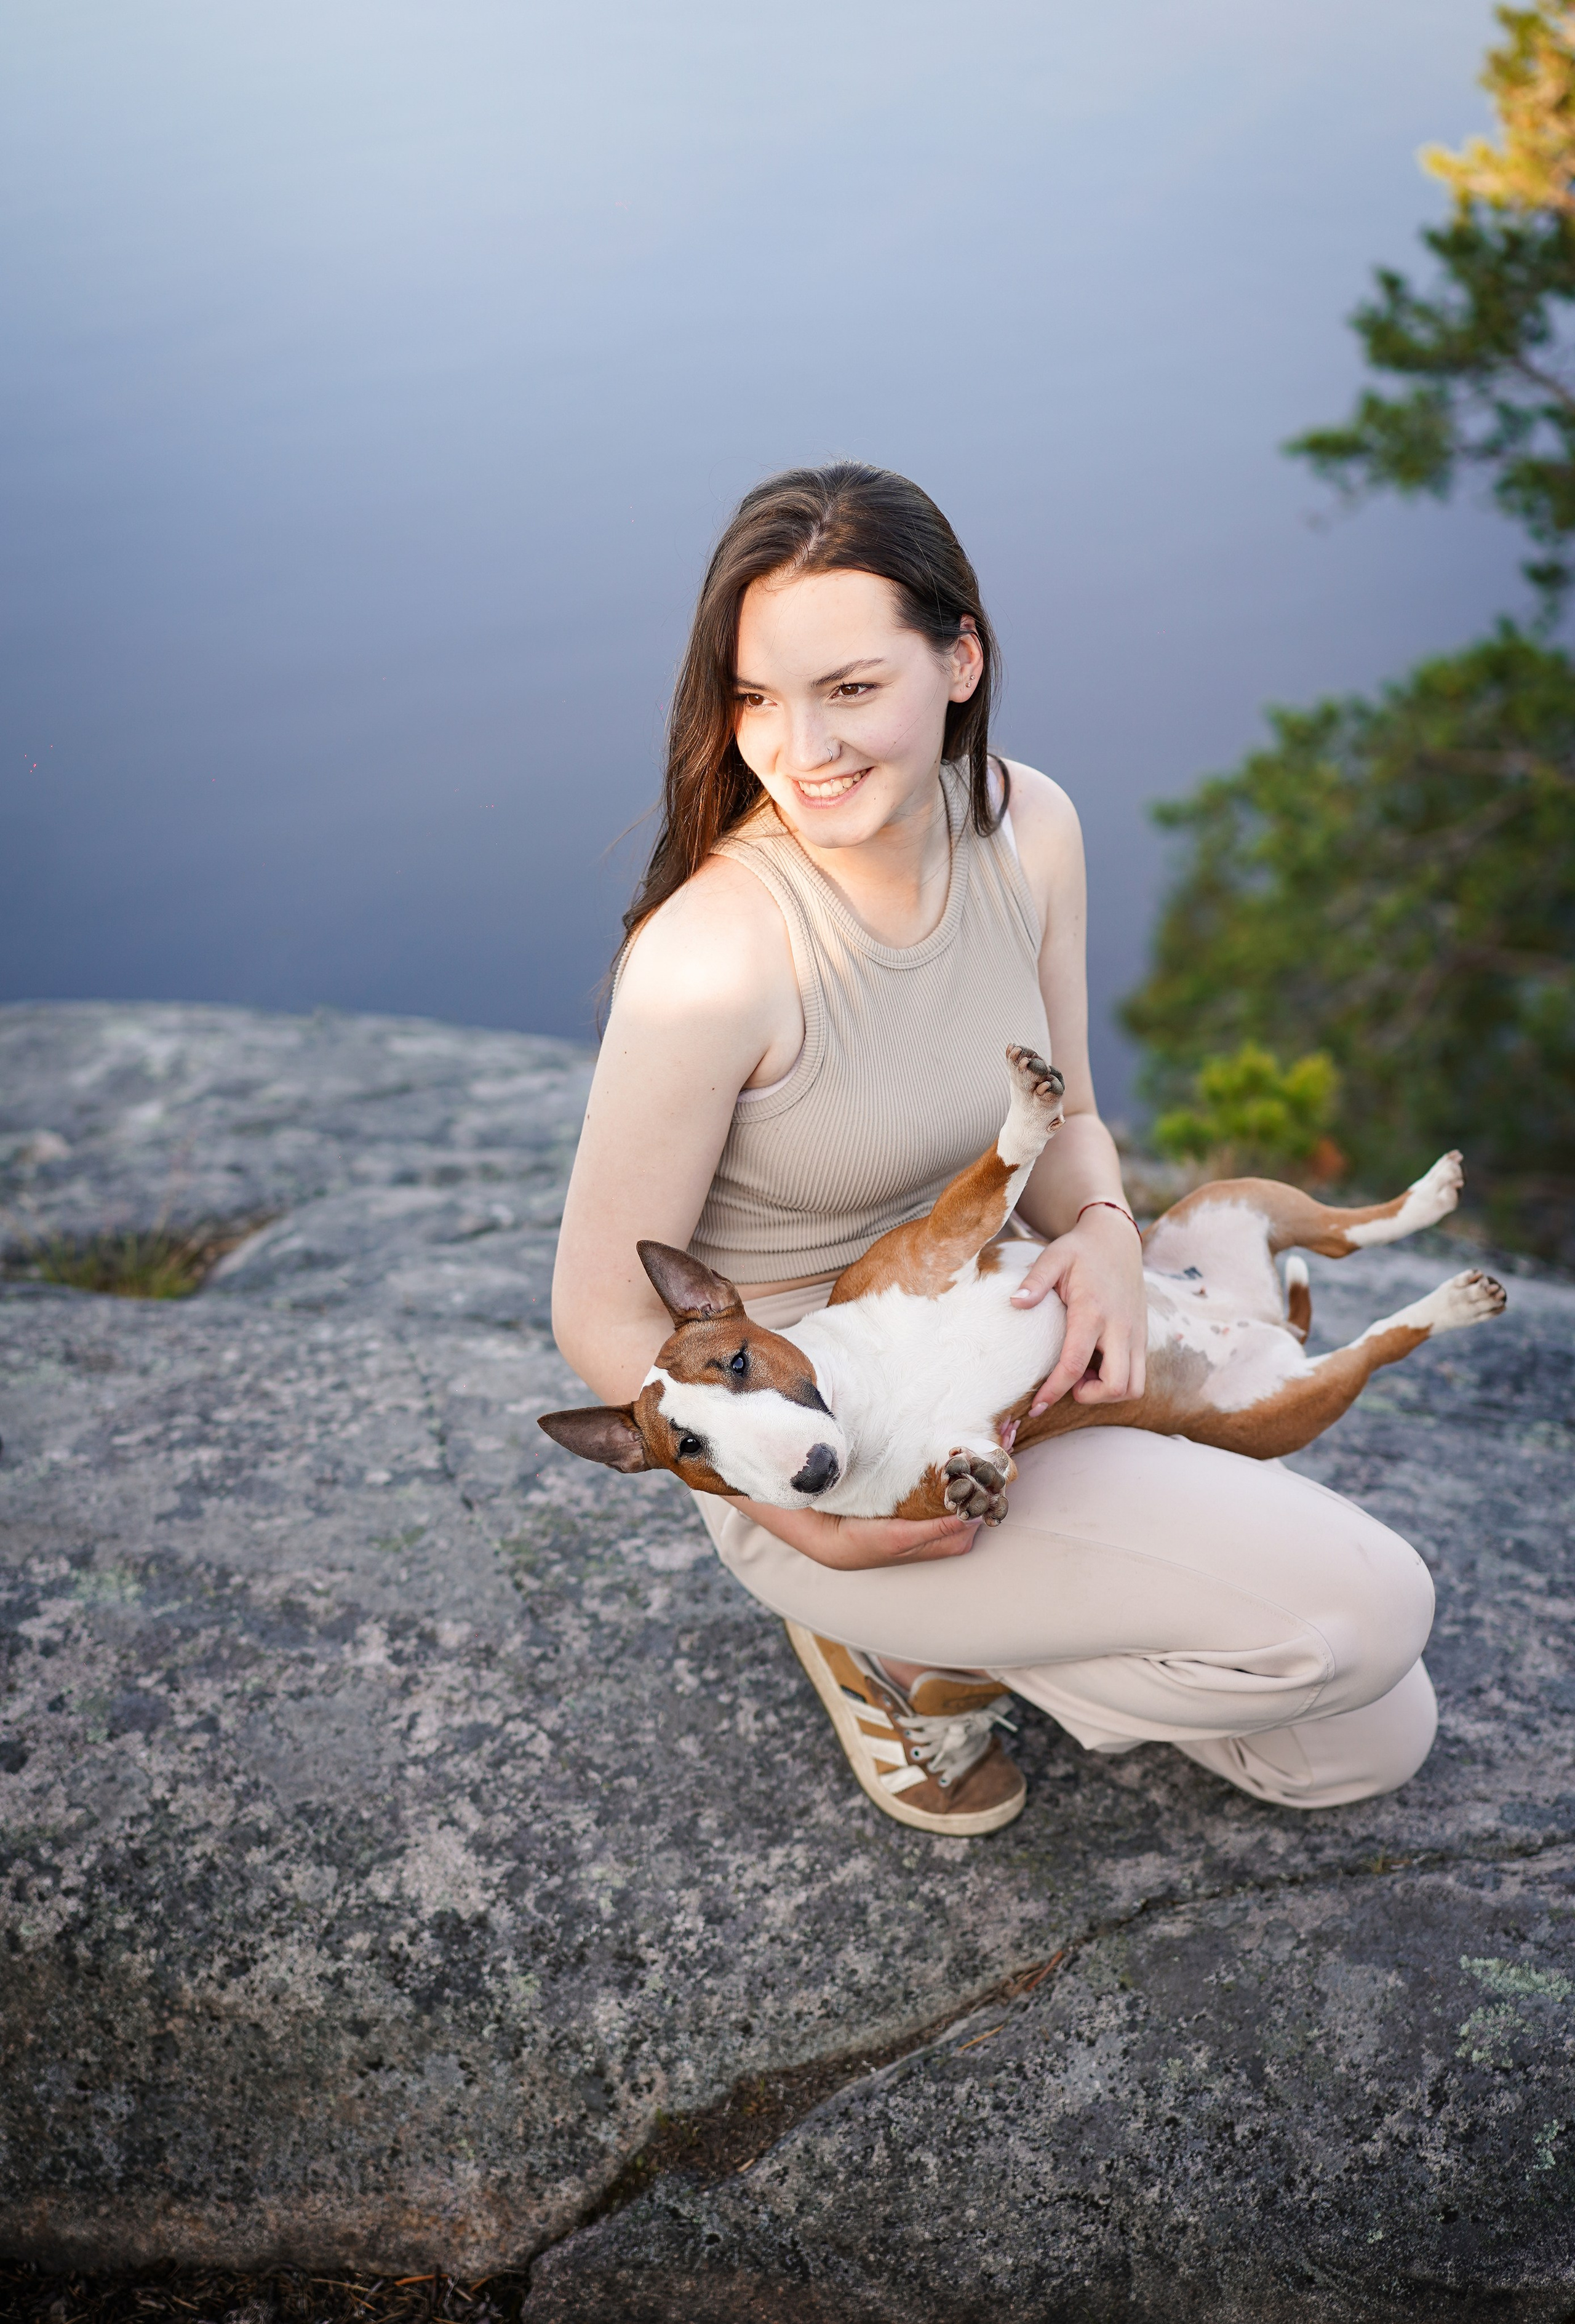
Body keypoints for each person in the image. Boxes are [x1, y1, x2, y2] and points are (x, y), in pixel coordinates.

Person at [551, 462, 1437, 1835]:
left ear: (958, 659)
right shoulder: (713, 959)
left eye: (849, 688)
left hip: (1004, 1351)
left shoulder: (1029, 827)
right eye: (755, 698)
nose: (799, 746)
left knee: (1362, 1740)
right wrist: (805, 1519)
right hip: (838, 1449)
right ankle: (891, 1642)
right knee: (1362, 1612)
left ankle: (992, 1640)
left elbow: (1071, 1112)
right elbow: (597, 1307)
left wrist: (1097, 1234)